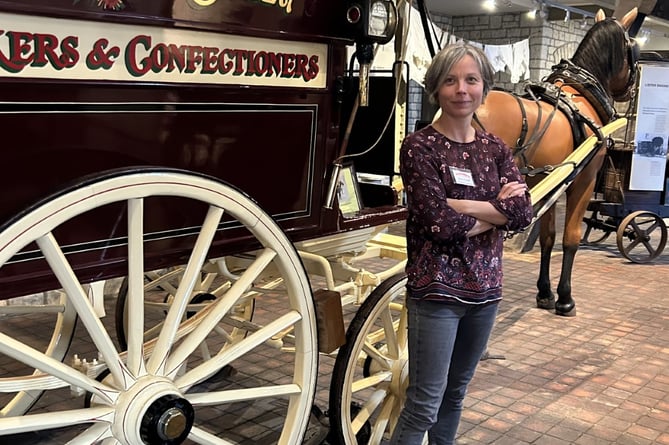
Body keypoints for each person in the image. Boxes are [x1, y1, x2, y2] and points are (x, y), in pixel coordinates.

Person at [390, 43, 533, 445]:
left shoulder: (495, 149)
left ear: (484, 87)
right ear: (436, 88)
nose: (461, 89)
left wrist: (463, 206)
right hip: (436, 294)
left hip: (486, 294)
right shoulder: (420, 147)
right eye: (450, 80)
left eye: (471, 79)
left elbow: (523, 215)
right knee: (424, 402)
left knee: (456, 394)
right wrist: (495, 210)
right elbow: (438, 225)